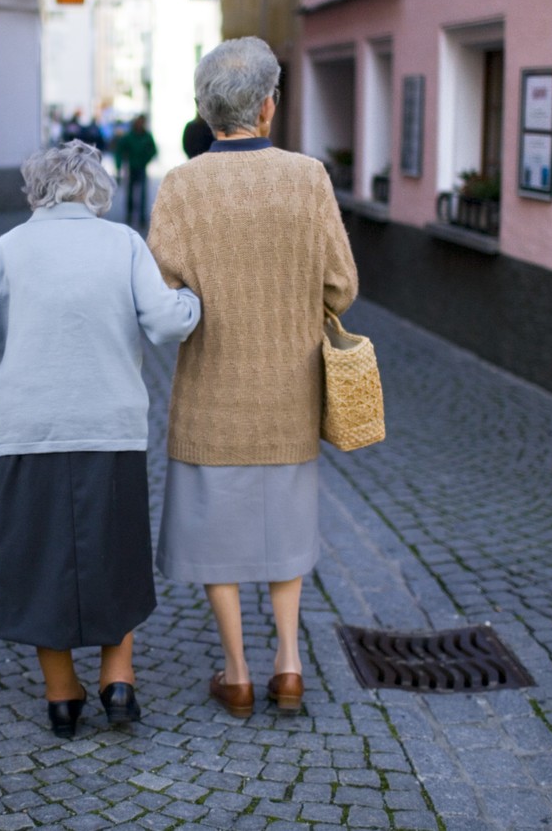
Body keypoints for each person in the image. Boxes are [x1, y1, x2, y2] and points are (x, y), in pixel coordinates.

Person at [0, 141, 201, 739]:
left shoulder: (9, 248)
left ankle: (61, 696)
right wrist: (190, 303)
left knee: (37, 558)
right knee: (118, 551)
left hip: (33, 428)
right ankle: (119, 678)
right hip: (110, 426)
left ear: (37, 190)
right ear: (97, 189)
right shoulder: (124, 243)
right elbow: (164, 323)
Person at [147, 36, 358, 719]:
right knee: (287, 524)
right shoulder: (309, 177)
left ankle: (236, 671)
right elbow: (342, 284)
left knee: (214, 530)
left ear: (209, 113)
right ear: (268, 107)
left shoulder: (181, 185)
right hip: (291, 389)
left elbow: (160, 291)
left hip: (211, 390)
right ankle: (289, 664)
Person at [113, 114, 158, 228]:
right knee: (130, 193)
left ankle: (142, 217)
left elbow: (153, 150)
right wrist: (119, 165)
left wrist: (146, 159)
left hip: (142, 167)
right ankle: (129, 214)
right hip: (132, 167)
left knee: (142, 194)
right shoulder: (128, 137)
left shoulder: (146, 136)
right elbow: (120, 151)